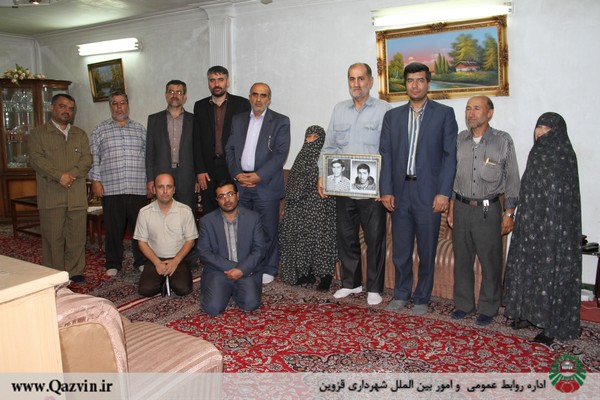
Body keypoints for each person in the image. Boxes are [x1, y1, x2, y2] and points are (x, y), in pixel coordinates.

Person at [380, 62, 458, 315]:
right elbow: (386, 155)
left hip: (429, 194)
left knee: (426, 249)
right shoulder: (392, 117)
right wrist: (386, 190)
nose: (415, 85)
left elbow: (450, 156)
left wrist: (444, 193)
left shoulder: (444, 114)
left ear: (428, 83)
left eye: (420, 80)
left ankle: (422, 297)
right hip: (400, 192)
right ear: (405, 84)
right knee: (401, 250)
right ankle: (401, 293)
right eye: (410, 80)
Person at [503, 112, 581, 345]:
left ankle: (551, 326)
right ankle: (528, 314)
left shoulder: (564, 155)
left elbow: (564, 197)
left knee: (549, 272)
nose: (540, 133)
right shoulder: (536, 152)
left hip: (554, 227)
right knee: (528, 268)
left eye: (547, 129)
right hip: (531, 223)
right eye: (539, 127)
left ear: (557, 133)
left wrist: (551, 224)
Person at [318, 63, 392, 306]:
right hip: (343, 188)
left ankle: (374, 288)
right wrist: (322, 175)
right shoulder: (339, 109)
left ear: (370, 81)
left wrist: (385, 186)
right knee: (346, 237)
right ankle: (351, 283)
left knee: (374, 240)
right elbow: (329, 147)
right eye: (352, 79)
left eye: (361, 78)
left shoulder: (384, 110)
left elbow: (391, 151)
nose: (356, 84)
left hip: (372, 190)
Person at [447, 96, 520, 326]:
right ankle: (464, 304)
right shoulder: (460, 139)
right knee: (462, 260)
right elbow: (453, 177)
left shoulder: (502, 140)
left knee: (490, 261)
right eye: (468, 108)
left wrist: (509, 213)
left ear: (490, 113)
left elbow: (512, 179)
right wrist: (451, 208)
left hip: (488, 210)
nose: (471, 113)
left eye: (477, 108)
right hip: (461, 207)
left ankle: (488, 308)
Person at [225, 82, 290, 285]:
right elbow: (229, 150)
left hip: (266, 184)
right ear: (250, 97)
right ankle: (248, 265)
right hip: (242, 184)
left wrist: (258, 176)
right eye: (255, 94)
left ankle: (269, 267)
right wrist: (237, 174)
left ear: (269, 99)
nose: (259, 99)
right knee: (244, 229)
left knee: (268, 229)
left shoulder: (280, 121)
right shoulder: (238, 120)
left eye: (263, 95)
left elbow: (280, 155)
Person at [29, 94, 92, 283]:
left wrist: (70, 174)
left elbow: (87, 159)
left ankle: (75, 271)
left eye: (70, 108)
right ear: (52, 107)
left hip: (76, 195)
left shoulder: (79, 134)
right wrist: (59, 176)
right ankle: (55, 274)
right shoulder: (38, 134)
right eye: (62, 106)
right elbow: (36, 160)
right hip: (52, 196)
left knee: (77, 237)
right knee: (53, 238)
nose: (67, 111)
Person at [90, 91, 148, 276]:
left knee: (139, 228)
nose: (119, 107)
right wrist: (95, 180)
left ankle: (141, 261)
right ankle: (113, 263)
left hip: (137, 187)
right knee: (113, 229)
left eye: (122, 102)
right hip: (111, 188)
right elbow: (94, 157)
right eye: (115, 103)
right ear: (110, 106)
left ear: (127, 105)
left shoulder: (140, 129)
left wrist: (150, 182)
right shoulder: (100, 130)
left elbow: (148, 157)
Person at [279, 125, 337, 291]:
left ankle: (325, 277)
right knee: (296, 233)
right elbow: (292, 185)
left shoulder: (326, 158)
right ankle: (306, 273)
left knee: (321, 236)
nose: (310, 141)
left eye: (315, 138)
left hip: (322, 206)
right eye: (308, 137)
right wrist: (288, 205)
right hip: (298, 206)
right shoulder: (300, 157)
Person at [197, 180, 266, 316]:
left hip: (246, 271)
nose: (227, 200)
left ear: (237, 195)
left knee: (251, 304)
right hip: (219, 271)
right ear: (217, 200)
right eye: (221, 196)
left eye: (230, 194)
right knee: (212, 308)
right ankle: (224, 290)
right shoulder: (207, 221)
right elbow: (204, 253)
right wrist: (235, 268)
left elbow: (259, 249)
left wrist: (242, 269)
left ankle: (234, 290)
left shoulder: (253, 218)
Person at [193, 66, 251, 215]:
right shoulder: (200, 106)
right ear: (208, 83)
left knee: (234, 208)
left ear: (227, 82)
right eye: (212, 80)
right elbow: (196, 139)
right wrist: (200, 170)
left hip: (233, 166)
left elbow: (247, 139)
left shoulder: (242, 104)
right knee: (210, 210)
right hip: (208, 168)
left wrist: (242, 169)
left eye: (220, 80)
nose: (216, 84)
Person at [134, 173, 197, 297]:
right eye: (160, 187)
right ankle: (163, 280)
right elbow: (142, 242)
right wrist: (157, 263)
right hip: (155, 258)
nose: (165, 191)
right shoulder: (144, 212)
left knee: (183, 289)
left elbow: (190, 241)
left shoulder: (185, 211)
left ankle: (169, 278)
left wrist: (175, 261)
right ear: (154, 190)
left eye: (169, 186)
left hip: (178, 258)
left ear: (174, 189)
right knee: (146, 290)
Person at [146, 80, 197, 212]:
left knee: (187, 213)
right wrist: (150, 179)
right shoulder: (154, 119)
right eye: (171, 92)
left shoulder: (194, 120)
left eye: (179, 92)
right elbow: (150, 152)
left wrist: (197, 178)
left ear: (184, 96)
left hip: (187, 176)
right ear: (166, 95)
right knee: (162, 214)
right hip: (161, 176)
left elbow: (199, 152)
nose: (175, 95)